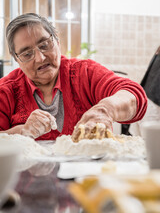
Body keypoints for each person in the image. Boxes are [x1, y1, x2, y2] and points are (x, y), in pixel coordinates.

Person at [0, 13, 147, 141]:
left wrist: (106, 110)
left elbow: (133, 94)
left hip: (88, 172)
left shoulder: (84, 72)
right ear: (16, 59)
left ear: (57, 41)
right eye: (27, 54)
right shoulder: (6, 90)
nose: (40, 58)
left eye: (45, 45)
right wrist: (22, 131)